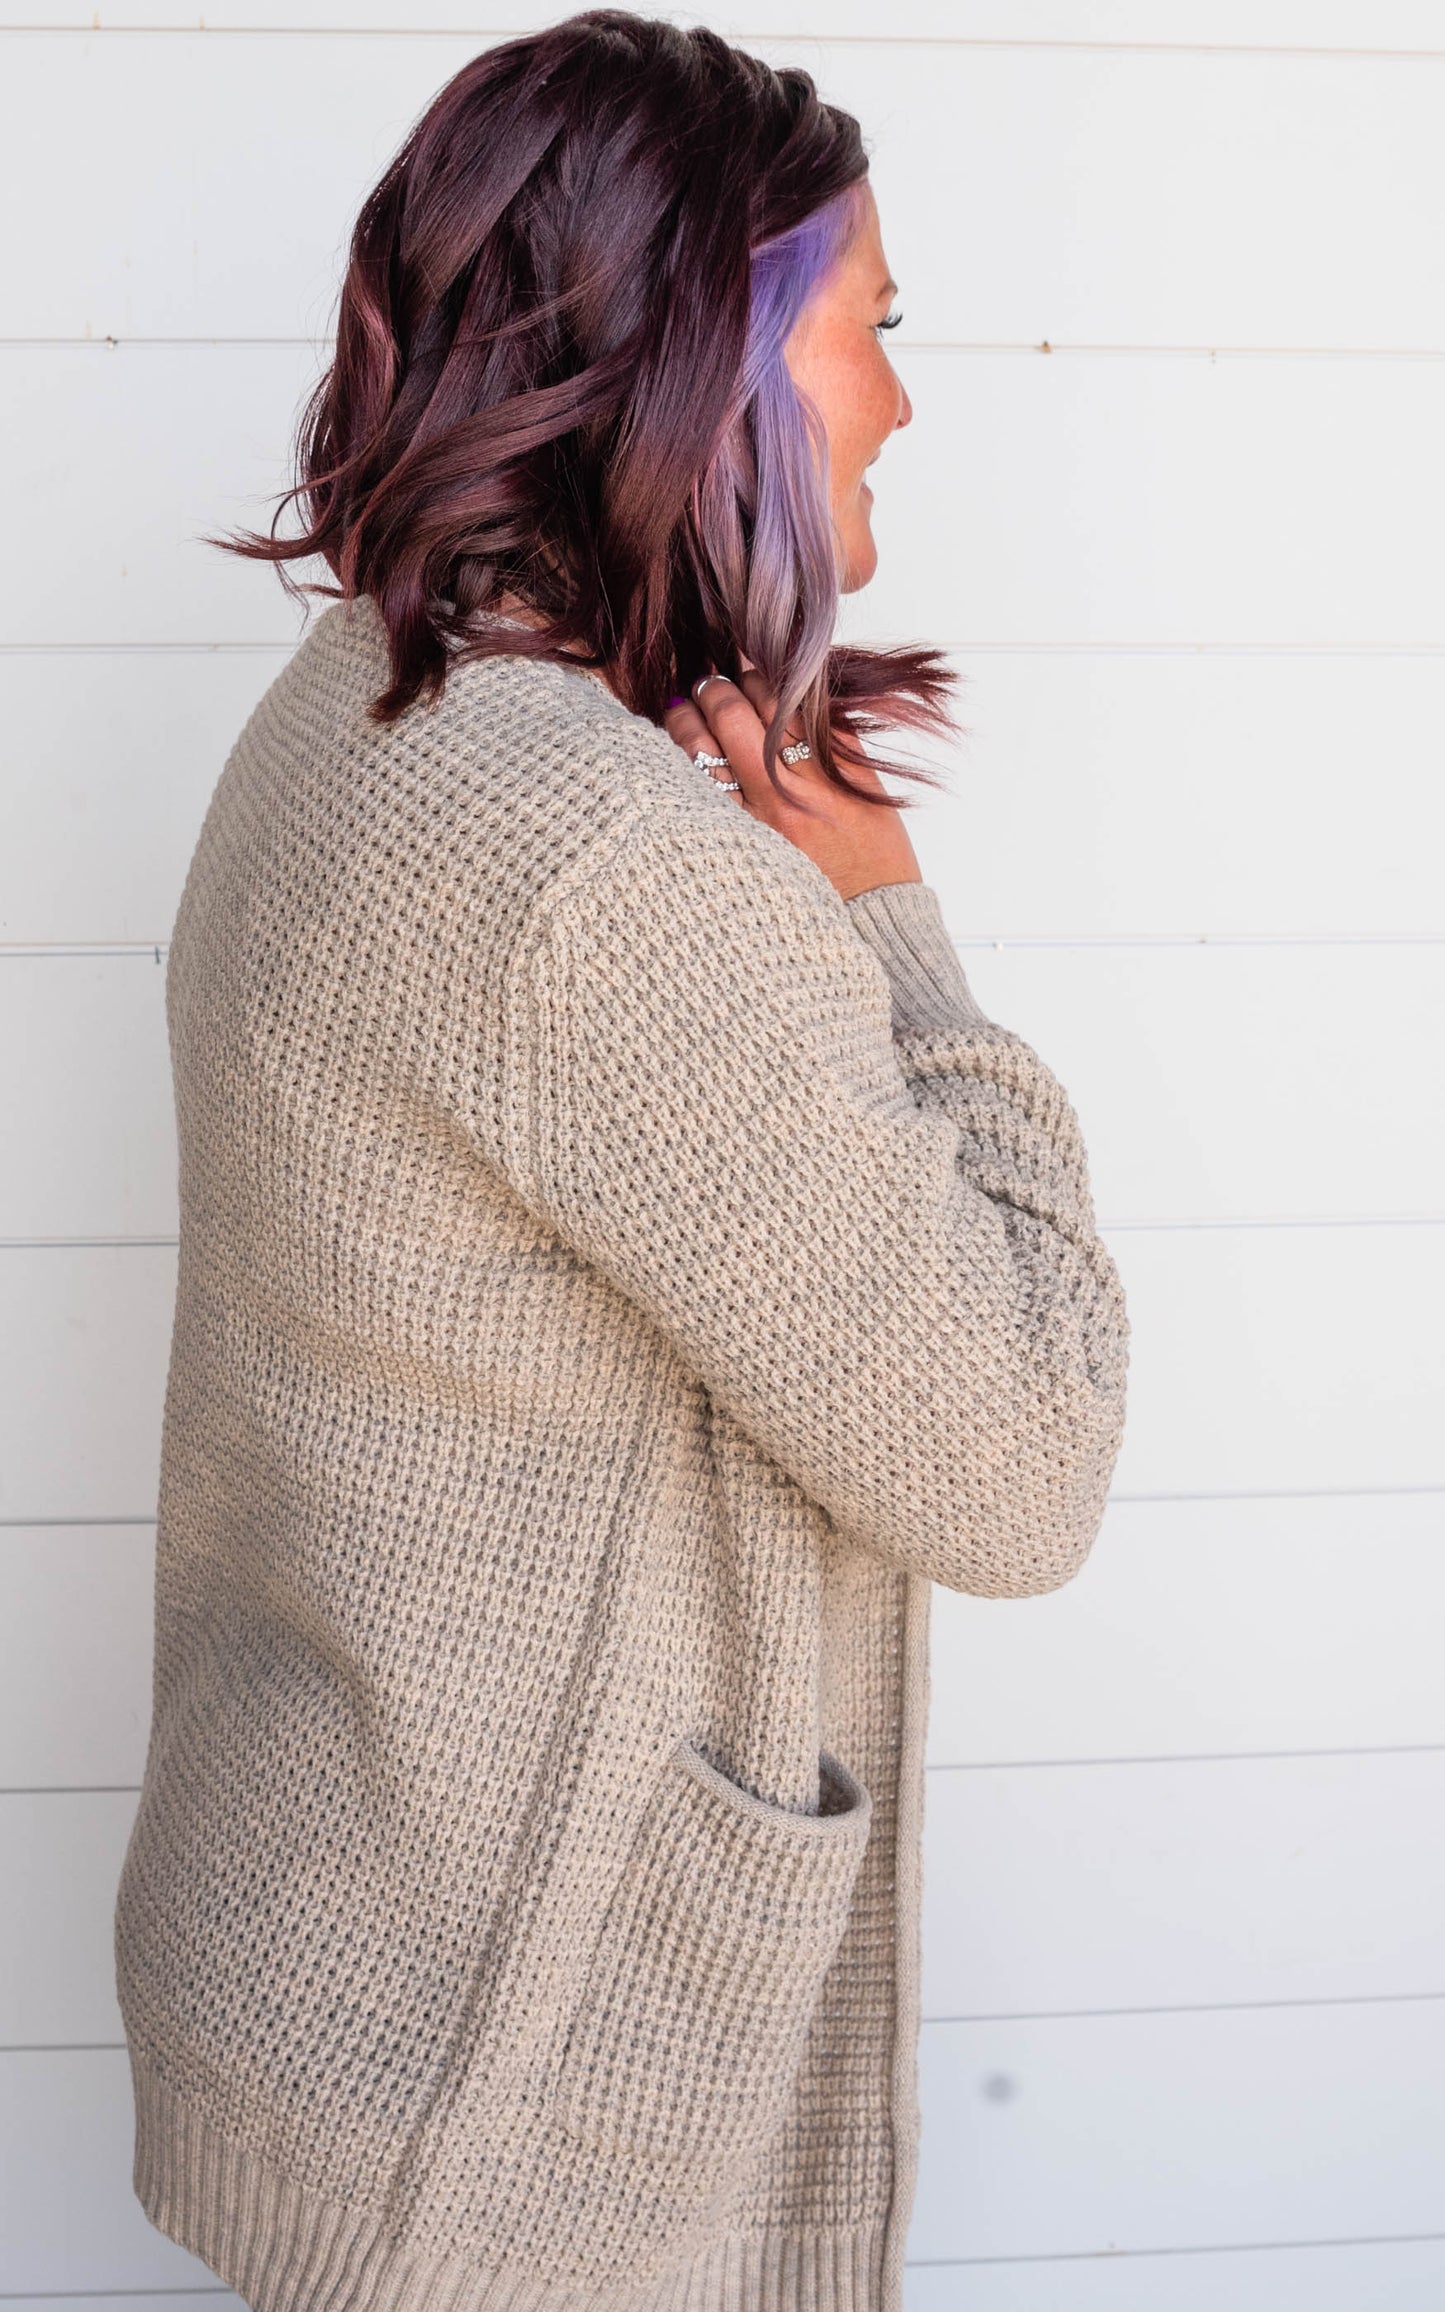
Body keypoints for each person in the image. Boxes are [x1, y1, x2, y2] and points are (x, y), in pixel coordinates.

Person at [112, 13, 1130, 2311]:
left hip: (346, 1971)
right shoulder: (596, 865)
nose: (900, 400)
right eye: (876, 330)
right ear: (718, 364)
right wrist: (887, 910)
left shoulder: (370, 713)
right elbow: (1027, 1456)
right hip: (513, 2118)